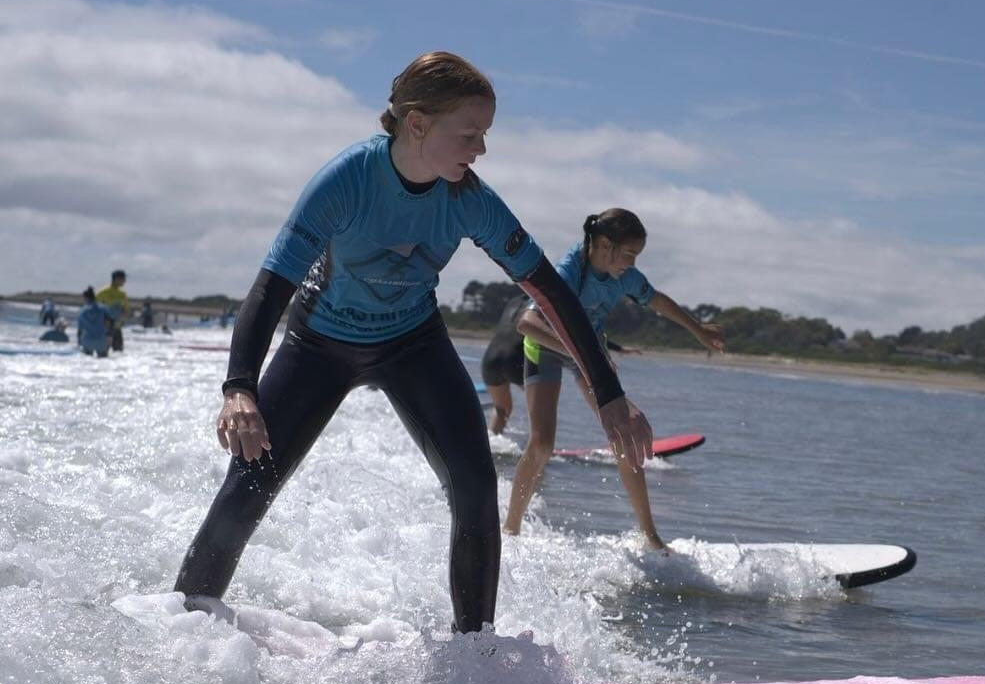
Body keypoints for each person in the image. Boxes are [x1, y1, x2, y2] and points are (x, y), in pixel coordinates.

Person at [173, 51, 652, 635]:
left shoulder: (470, 199)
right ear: (417, 123)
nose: (480, 150)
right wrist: (238, 388)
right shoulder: (346, 179)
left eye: (484, 135)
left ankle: (476, 656)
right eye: (470, 134)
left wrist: (608, 393)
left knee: (475, 486)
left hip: (411, 343)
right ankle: (185, 630)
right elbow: (271, 287)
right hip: (318, 343)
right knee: (249, 479)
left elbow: (550, 291)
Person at [503, 209, 724, 551]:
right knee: (542, 442)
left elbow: (658, 300)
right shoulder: (567, 272)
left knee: (625, 435)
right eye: (629, 254)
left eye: (636, 256)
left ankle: (650, 537)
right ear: (604, 244)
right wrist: (585, 353)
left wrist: (698, 330)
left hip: (589, 350)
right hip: (546, 346)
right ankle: (510, 531)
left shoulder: (624, 276)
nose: (631, 263)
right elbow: (526, 324)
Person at [481, 295, 638, 435]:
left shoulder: (513, 301)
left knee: (501, 409)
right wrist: (616, 348)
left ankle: (492, 442)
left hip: (490, 359)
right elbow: (577, 336)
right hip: (515, 359)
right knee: (541, 410)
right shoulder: (542, 305)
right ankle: (536, 442)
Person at [96, 270, 129, 352]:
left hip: (117, 327)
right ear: (117, 279)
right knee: (103, 352)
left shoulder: (123, 294)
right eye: (123, 279)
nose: (124, 281)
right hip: (105, 327)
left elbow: (125, 310)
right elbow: (93, 307)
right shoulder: (103, 292)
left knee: (118, 353)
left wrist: (122, 318)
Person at [77, 287, 110, 357]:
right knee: (104, 364)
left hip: (87, 340)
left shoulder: (82, 311)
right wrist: (109, 336)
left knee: (87, 364)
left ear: (86, 298)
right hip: (101, 340)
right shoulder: (103, 308)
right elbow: (109, 323)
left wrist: (79, 342)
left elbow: (80, 329)